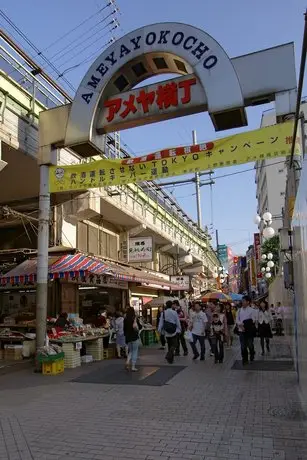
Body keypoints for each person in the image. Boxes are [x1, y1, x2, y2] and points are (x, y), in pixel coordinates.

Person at [236, 295, 256, 365]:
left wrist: (246, 325)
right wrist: (240, 325)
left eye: (244, 301)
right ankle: (244, 359)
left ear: (248, 302)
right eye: (242, 301)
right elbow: (237, 319)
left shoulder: (252, 310)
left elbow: (253, 320)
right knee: (243, 345)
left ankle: (252, 353)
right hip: (241, 330)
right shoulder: (239, 310)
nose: (242, 302)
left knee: (250, 344)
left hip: (249, 330)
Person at [123, 307, 140, 371]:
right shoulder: (134, 318)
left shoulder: (125, 319)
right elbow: (139, 327)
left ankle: (127, 361)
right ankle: (133, 367)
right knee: (135, 351)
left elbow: (124, 329)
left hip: (128, 337)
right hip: (134, 337)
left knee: (131, 351)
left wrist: (126, 335)